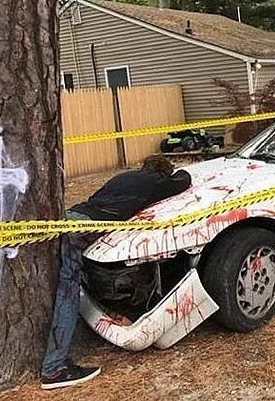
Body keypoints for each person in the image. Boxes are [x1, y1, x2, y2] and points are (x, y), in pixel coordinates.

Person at [40, 155, 192, 390]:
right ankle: (54, 368)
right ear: (162, 173)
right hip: (86, 227)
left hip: (73, 216)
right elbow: (184, 179)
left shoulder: (123, 177)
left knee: (68, 282)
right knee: (68, 291)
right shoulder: (156, 182)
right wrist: (172, 173)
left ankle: (57, 360)